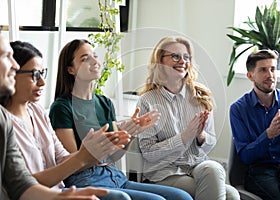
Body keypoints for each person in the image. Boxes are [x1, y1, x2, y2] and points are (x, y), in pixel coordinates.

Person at [49, 39, 192, 200]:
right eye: (85, 58)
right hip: (86, 180)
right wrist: (103, 149)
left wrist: (129, 135)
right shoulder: (62, 107)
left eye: (94, 56)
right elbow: (72, 164)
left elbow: (114, 157)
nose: (94, 61)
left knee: (182, 197)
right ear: (70, 70)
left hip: (115, 176)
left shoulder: (105, 103)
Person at [5, 40, 134, 200]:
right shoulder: (7, 121)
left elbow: (61, 157)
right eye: (34, 75)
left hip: (65, 188)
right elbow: (21, 185)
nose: (42, 82)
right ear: (10, 73)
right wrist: (83, 156)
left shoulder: (37, 111)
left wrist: (93, 151)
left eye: (42, 73)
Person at [136, 36, 240, 200]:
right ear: (160, 61)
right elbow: (148, 152)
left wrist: (201, 137)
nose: (182, 61)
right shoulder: (147, 101)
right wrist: (184, 137)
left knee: (216, 172)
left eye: (187, 57)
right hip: (164, 173)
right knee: (231, 196)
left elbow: (210, 142)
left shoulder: (201, 96)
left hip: (196, 165)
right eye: (175, 56)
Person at [229, 49, 280, 200]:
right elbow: (245, 157)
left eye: (273, 69)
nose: (270, 75)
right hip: (259, 170)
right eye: (263, 70)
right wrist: (269, 134)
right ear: (250, 75)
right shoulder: (238, 109)